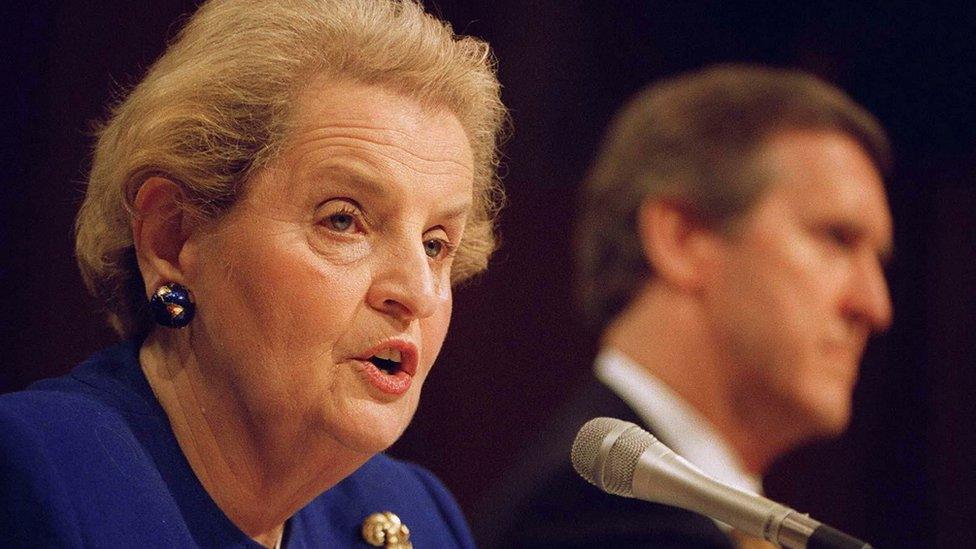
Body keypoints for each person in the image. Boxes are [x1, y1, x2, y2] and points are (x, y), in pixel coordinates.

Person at [0, 0, 507, 547]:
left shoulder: (420, 517)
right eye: (344, 220)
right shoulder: (35, 476)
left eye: (435, 244)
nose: (417, 294)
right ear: (173, 238)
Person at [477, 64, 893, 548]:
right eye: (837, 239)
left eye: (878, 261)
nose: (875, 305)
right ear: (682, 240)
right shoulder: (593, 519)